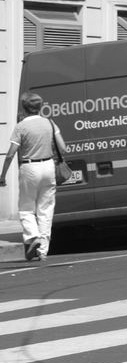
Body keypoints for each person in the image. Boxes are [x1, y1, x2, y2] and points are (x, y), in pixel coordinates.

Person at [0, 92, 66, 262]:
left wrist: (3, 175)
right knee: (46, 209)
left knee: (26, 208)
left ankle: (33, 236)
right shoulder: (50, 123)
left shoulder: (21, 127)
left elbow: (10, 154)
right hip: (48, 166)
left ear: (24, 107)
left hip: (29, 167)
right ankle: (43, 250)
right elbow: (63, 148)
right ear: (40, 107)